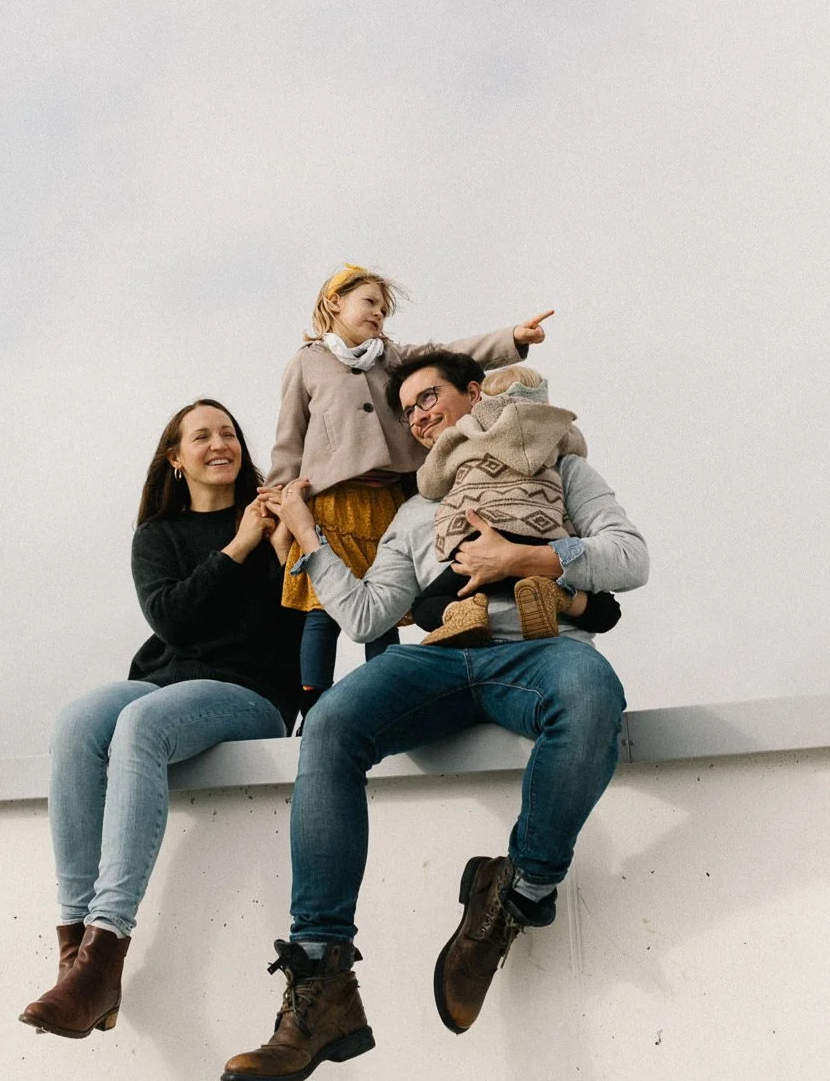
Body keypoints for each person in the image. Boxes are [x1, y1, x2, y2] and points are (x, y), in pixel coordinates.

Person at [222, 349, 647, 1080]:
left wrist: (529, 558)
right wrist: (307, 532)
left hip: (540, 653)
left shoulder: (559, 466)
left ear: (474, 394)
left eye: (430, 397)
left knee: (591, 694)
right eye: (409, 408)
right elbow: (364, 617)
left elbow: (629, 558)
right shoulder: (415, 512)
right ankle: (322, 983)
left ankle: (513, 895)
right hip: (441, 659)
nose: (419, 415)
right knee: (331, 726)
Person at [19, 399, 302, 1041]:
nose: (219, 443)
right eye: (200, 436)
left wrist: (272, 541)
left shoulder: (274, 517)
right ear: (176, 459)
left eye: (228, 431)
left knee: (140, 726)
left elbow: (295, 618)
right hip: (165, 681)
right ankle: (76, 961)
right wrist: (237, 547)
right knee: (77, 723)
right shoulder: (158, 536)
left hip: (249, 692)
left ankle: (106, 944)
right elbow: (173, 620)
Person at [267, 262, 553, 712]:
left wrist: (512, 337)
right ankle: (313, 702)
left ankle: (386, 691)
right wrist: (279, 495)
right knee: (322, 607)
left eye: (384, 308)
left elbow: (451, 355)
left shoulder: (393, 357)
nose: (378, 313)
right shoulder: (306, 364)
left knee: (383, 606)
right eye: (369, 302)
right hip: (332, 502)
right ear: (334, 302)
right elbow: (290, 435)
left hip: (388, 498)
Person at [412, 364, 621, 645]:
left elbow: (429, 482)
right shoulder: (558, 433)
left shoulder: (466, 433)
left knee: (425, 605)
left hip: (480, 544)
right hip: (542, 539)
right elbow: (579, 449)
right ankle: (556, 595)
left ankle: (464, 613)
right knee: (606, 609)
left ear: (480, 401)